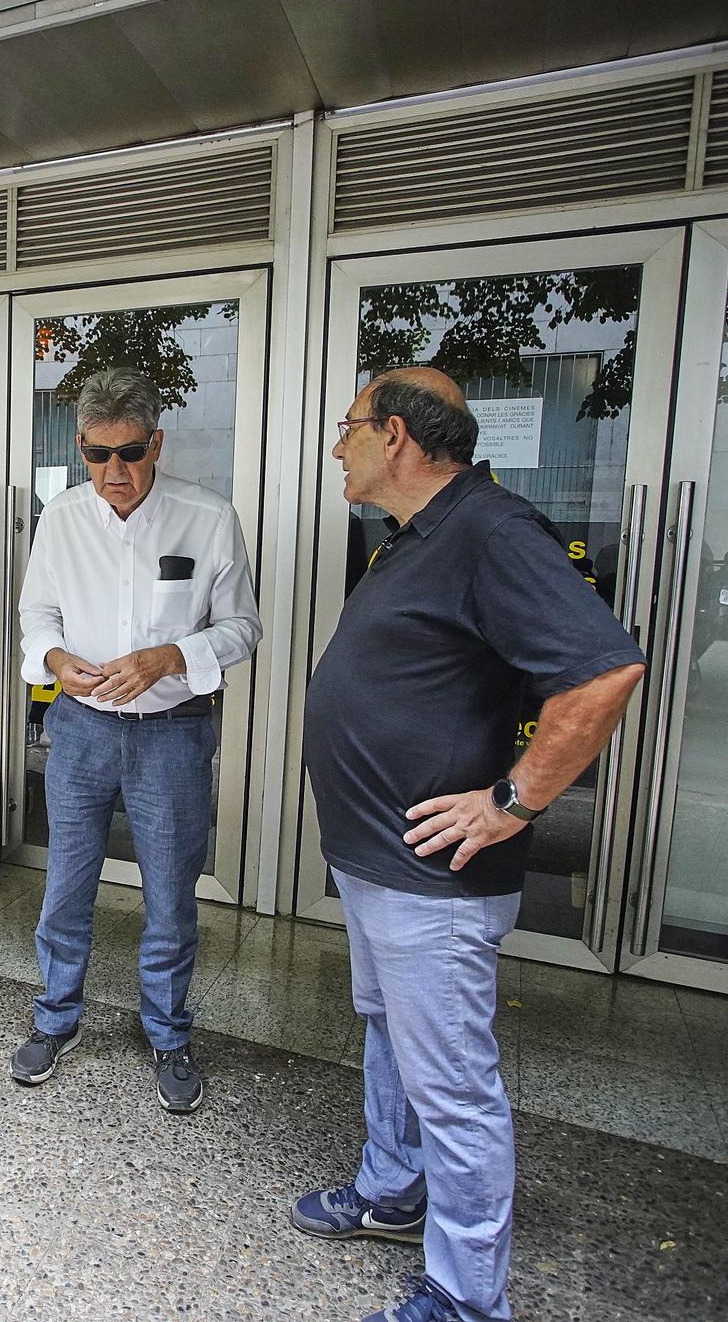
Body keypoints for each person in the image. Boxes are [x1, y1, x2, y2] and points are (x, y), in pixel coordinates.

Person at [296, 368, 645, 1322]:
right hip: (379, 863)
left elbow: (605, 672)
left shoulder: (491, 530)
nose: (339, 446)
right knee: (390, 1038)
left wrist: (511, 802)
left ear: (397, 435)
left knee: (454, 1087)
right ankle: (392, 1189)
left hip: (433, 882)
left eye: (349, 428)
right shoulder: (416, 538)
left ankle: (464, 1295)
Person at [11, 368, 262, 1113]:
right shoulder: (61, 517)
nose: (112, 473)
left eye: (128, 453)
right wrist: (55, 661)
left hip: (173, 734)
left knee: (169, 897)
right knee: (66, 887)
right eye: (95, 455)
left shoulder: (208, 517)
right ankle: (55, 1017)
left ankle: (168, 1030)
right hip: (82, 728)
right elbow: (37, 616)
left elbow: (243, 626)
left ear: (158, 441)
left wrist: (172, 656)